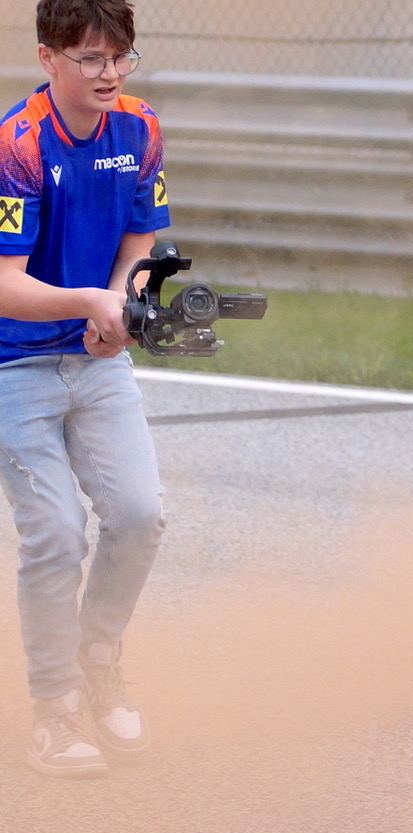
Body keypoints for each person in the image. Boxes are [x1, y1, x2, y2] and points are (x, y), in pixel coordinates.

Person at [0, 0, 168, 778]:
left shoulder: (140, 128)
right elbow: (4, 285)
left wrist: (122, 303)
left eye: (121, 57)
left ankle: (98, 656)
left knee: (138, 515)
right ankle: (55, 708)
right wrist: (87, 304)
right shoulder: (18, 145)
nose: (109, 74)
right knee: (57, 534)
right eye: (91, 59)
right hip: (16, 366)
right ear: (48, 57)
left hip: (99, 361)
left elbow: (142, 232)